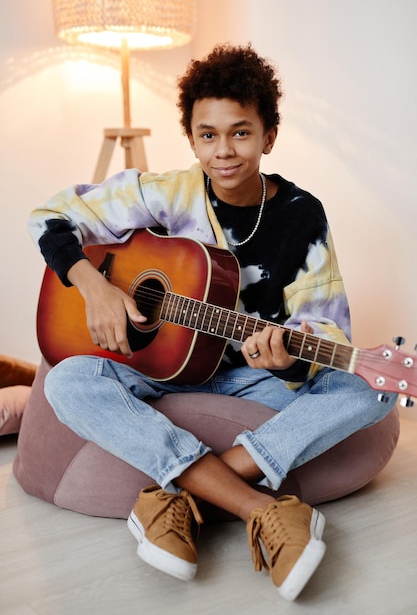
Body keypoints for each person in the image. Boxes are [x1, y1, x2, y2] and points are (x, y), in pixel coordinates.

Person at [27, 43, 396, 602]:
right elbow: (51, 216)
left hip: (251, 376)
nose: (223, 151)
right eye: (207, 134)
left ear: (269, 136)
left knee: (373, 390)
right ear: (192, 137)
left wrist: (291, 354)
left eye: (241, 133)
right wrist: (95, 286)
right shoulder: (164, 193)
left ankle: (180, 495)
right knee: (65, 381)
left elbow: (326, 324)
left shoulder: (302, 215)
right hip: (154, 367)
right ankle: (259, 507)